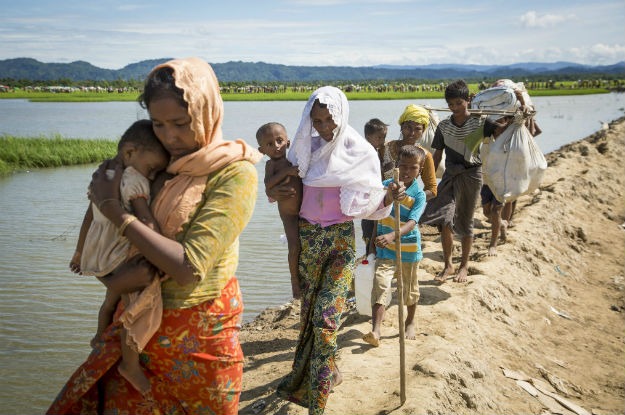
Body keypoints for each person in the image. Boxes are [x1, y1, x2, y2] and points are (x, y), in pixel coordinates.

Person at [47, 57, 262, 415]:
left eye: (181, 123)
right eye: (158, 124)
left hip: (198, 334)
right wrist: (111, 277)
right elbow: (112, 247)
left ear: (207, 111)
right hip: (134, 329)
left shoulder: (234, 174)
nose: (170, 136)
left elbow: (188, 268)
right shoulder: (151, 164)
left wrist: (114, 210)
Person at [268, 86, 401, 415]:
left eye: (329, 119)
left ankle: (318, 404)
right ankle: (331, 369)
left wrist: (388, 197)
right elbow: (277, 194)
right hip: (309, 240)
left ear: (341, 115)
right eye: (317, 120)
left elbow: (370, 205)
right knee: (311, 316)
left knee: (327, 321)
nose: (324, 127)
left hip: (341, 240)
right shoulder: (303, 152)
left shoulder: (359, 152)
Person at [69, 119, 169, 395]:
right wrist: (162, 247)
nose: (151, 175)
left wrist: (78, 252)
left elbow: (89, 216)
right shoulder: (134, 179)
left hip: (96, 254)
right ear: (130, 153)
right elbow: (146, 219)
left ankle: (100, 338)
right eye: (152, 168)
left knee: (110, 302)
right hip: (117, 256)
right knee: (135, 309)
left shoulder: (104, 174)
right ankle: (130, 364)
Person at [419, 79, 502, 284]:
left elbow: (501, 132)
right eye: (451, 104)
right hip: (450, 176)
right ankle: (448, 264)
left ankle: (464, 265)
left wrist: (515, 119)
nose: (455, 108)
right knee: (445, 218)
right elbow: (436, 156)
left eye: (459, 103)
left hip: (472, 176)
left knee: (465, 221)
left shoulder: (481, 123)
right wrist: (428, 181)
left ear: (468, 100)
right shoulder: (444, 126)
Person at [362, 145, 427, 347]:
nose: (406, 171)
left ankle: (409, 321)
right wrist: (373, 244)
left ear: (420, 170)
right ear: (396, 166)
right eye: (403, 166)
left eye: (412, 168)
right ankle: (376, 330)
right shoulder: (386, 186)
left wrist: (393, 234)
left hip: (407, 250)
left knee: (409, 290)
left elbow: (412, 222)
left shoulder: (419, 195)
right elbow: (376, 216)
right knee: (380, 285)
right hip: (385, 249)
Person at [256, 122, 303, 299]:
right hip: (288, 214)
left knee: (306, 245)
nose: (276, 146)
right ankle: (295, 282)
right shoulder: (271, 165)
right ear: (262, 150)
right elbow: (268, 184)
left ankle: (306, 277)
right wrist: (287, 172)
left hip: (304, 210)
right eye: (269, 144)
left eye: (279, 140)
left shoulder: (294, 157)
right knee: (294, 246)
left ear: (288, 142)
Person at [380, 104, 438, 201]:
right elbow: (372, 180)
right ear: (401, 127)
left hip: (405, 210)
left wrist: (409, 199)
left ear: (423, 131)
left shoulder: (424, 155)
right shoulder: (384, 148)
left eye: (418, 129)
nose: (412, 133)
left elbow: (432, 190)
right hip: (381, 204)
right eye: (408, 127)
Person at [361, 118, 389, 256]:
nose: (382, 141)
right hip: (368, 200)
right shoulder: (366, 153)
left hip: (375, 199)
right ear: (368, 137)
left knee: (375, 231)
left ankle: (372, 256)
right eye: (379, 137)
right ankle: (370, 256)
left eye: (384, 137)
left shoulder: (376, 152)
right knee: (370, 230)